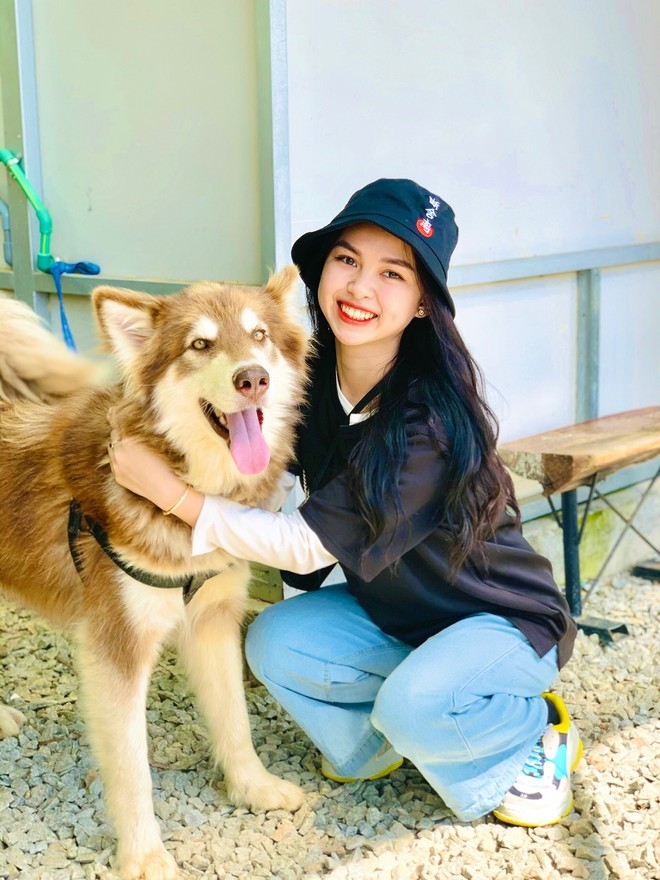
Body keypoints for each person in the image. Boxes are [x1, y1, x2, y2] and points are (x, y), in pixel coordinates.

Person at [108, 178, 582, 828]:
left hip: (499, 621)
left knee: (418, 705)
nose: (361, 287)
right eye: (348, 260)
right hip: (400, 613)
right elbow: (259, 465)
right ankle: (388, 741)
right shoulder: (305, 374)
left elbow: (307, 545)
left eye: (393, 274)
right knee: (274, 641)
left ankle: (531, 733)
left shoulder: (425, 424)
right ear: (323, 269)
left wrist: (171, 495)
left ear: (421, 304)